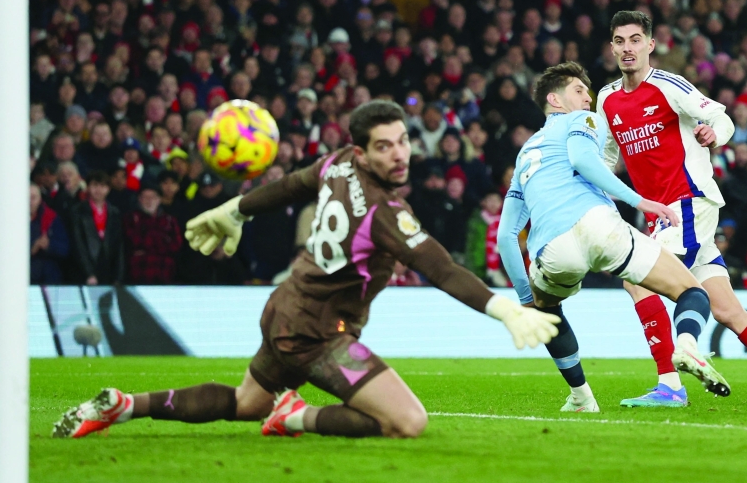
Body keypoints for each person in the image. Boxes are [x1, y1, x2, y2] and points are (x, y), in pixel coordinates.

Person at [53, 101, 558, 440]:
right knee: (407, 421)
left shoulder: (338, 163)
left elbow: (292, 185)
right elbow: (440, 268)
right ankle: (299, 416)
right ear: (363, 151)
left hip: (284, 311)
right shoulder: (384, 212)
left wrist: (236, 209)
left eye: (403, 141)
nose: (400, 153)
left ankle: (124, 405)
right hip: (320, 335)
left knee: (246, 402)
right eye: (385, 146)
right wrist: (504, 310)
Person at [598, 11, 747, 409]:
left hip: (689, 201)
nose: (628, 48)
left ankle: (674, 378)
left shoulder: (668, 85)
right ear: (612, 47)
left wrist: (715, 135)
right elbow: (608, 155)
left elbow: (720, 117)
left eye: (636, 39)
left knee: (636, 277)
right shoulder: (607, 98)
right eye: (621, 41)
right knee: (729, 311)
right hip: (663, 214)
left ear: (650, 45)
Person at [497, 61, 708, 412]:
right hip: (599, 227)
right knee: (691, 291)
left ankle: (581, 397)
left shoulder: (524, 155)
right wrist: (640, 201)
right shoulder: (582, 120)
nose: (587, 97)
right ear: (555, 99)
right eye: (578, 90)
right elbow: (583, 160)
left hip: (552, 250)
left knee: (549, 311)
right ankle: (686, 344)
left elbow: (506, 235)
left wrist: (525, 299)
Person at [69, 170, 124, 286]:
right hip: (84, 270)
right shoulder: (77, 211)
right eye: (94, 185)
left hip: (107, 268)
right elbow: (78, 244)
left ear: (108, 189)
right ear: (88, 187)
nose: (98, 190)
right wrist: (89, 273)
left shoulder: (115, 212)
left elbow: (119, 246)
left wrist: (118, 276)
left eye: (103, 186)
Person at [123, 182, 182, 284]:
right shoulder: (130, 219)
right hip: (138, 273)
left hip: (165, 273)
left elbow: (176, 245)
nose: (149, 201)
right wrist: (162, 242)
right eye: (145, 197)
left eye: (153, 197)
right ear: (139, 199)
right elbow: (132, 243)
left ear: (159, 200)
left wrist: (146, 249)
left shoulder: (169, 220)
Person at [30, 182, 70, 284]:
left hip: (49, 278)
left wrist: (49, 245)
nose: (29, 202)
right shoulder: (10, 221)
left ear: (40, 199)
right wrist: (31, 249)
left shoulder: (51, 217)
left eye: (33, 198)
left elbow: (65, 249)